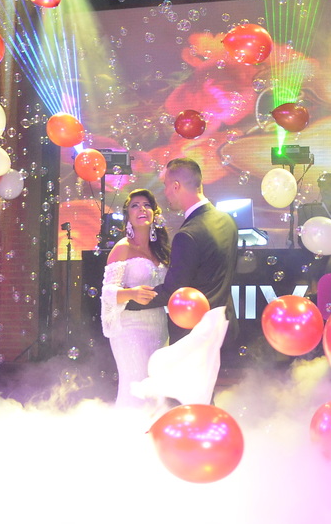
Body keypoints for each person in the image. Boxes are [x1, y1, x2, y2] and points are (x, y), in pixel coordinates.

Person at [128, 157, 238, 346]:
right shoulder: (227, 220)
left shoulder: (188, 234)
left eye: (166, 185)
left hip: (196, 335)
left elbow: (173, 292)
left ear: (176, 186)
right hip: (225, 328)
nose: (165, 192)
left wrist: (127, 300)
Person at [101, 189, 170, 408]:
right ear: (128, 216)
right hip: (130, 328)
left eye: (147, 205)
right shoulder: (122, 248)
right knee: (135, 386)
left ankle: (153, 427)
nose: (142, 209)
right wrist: (132, 293)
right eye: (135, 205)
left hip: (159, 326)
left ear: (154, 213)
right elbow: (107, 293)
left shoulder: (160, 250)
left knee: (155, 386)